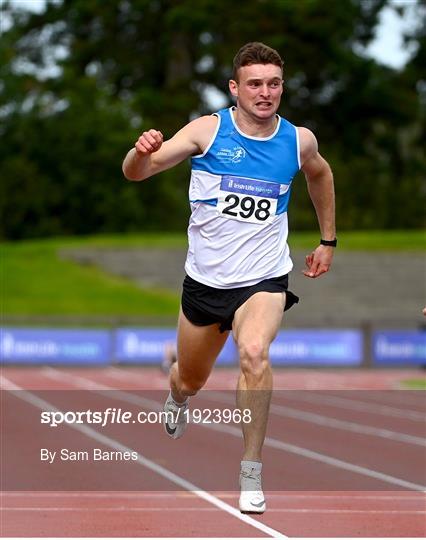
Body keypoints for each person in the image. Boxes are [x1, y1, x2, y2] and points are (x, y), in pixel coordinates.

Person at [122, 42, 336, 514]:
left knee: (255, 353)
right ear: (235, 88)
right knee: (190, 379)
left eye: (274, 84)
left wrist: (328, 240)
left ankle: (251, 470)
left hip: (262, 278)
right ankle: (176, 393)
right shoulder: (208, 130)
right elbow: (138, 173)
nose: (265, 93)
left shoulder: (298, 140)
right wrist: (140, 154)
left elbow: (320, 175)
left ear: (283, 87)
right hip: (204, 282)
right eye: (255, 84)